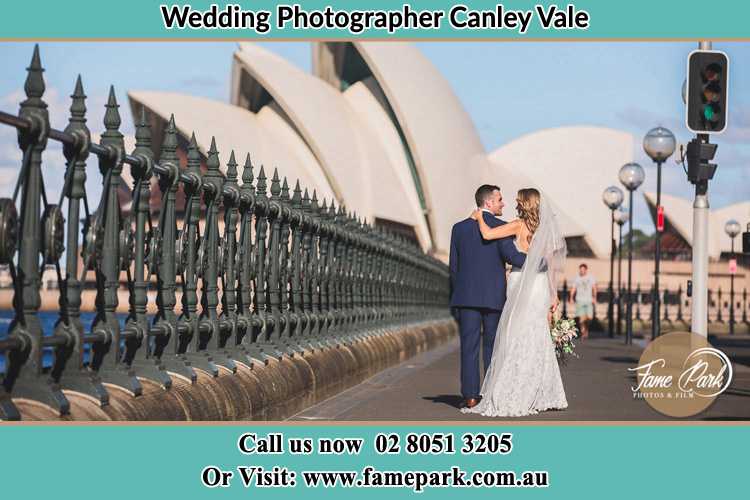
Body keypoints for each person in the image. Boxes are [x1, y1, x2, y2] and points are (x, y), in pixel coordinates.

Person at [461, 188, 568, 417]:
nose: (514, 203)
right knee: (537, 333)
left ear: (524, 204)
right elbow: (548, 264)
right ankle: (540, 391)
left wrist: (480, 216)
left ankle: (514, 388)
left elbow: (488, 235)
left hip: (521, 281)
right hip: (539, 285)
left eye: (519, 201)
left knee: (514, 334)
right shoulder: (545, 229)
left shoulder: (518, 225)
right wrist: (553, 294)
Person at [449, 184, 527, 409]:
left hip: (466, 296)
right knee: (492, 345)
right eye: (500, 199)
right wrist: (537, 260)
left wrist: (457, 295)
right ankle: (491, 392)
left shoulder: (459, 228)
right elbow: (511, 256)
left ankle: (471, 396)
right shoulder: (501, 227)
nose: (503, 203)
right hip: (493, 296)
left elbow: (454, 267)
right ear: (488, 203)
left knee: (469, 346)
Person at [569, 263, 597, 340]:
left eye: (583, 270)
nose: (581, 271)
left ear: (586, 270)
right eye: (580, 270)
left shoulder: (591, 278)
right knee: (581, 318)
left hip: (589, 300)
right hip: (580, 300)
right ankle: (583, 332)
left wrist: (594, 298)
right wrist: (571, 298)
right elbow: (573, 288)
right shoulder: (577, 278)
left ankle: (586, 329)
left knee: (589, 318)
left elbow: (594, 288)